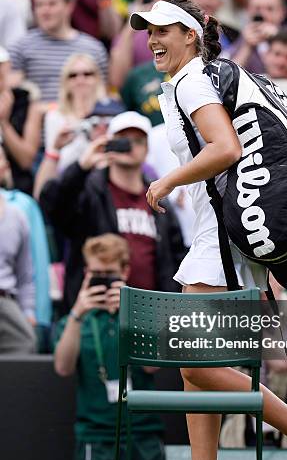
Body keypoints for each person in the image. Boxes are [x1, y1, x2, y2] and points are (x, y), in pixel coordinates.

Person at [128, 0, 287, 460]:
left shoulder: (193, 79)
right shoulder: (194, 77)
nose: (153, 39)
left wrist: (167, 180)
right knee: (196, 368)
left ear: (191, 36)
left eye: (164, 30)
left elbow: (226, 149)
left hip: (219, 239)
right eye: (148, 30)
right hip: (221, 233)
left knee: (193, 358)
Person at [39, 110, 186, 312]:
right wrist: (82, 166)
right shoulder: (90, 191)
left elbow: (175, 260)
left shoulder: (159, 200)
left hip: (149, 315)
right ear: (109, 142)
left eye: (137, 140)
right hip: (97, 311)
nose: (130, 146)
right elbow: (52, 205)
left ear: (147, 148)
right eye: (122, 140)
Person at [54, 233, 167, 460]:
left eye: (110, 274)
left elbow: (152, 366)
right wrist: (77, 313)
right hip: (96, 437)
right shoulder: (75, 321)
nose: (103, 282)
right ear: (86, 273)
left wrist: (131, 311)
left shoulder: (140, 313)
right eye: (97, 275)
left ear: (125, 272)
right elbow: (63, 368)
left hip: (143, 433)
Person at [33, 53, 123, 199]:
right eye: (73, 75)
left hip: (105, 189)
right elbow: (54, 162)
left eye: (87, 74)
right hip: (68, 187)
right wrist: (57, 147)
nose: (80, 80)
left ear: (98, 79)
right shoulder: (56, 116)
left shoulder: (111, 111)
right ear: (65, 81)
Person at [7, 0, 108, 103]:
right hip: (38, 120)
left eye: (52, 4)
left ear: (69, 6)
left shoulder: (94, 48)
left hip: (83, 119)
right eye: (39, 5)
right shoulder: (20, 47)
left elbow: (101, 94)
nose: (45, 11)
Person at [109, 0, 180, 90]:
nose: (155, 4)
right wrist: (130, 27)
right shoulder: (131, 33)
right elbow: (117, 80)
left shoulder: (189, 30)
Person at [0, 146, 37, 354]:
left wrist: (28, 311)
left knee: (26, 342)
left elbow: (25, 274)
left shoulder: (17, 215)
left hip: (5, 300)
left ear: (5, 166)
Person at [0, 46, 43, 195]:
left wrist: (4, 123)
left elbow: (26, 160)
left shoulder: (26, 100)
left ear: (7, 67)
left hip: (18, 192)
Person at [228, 0, 287, 73]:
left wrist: (279, 38)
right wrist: (247, 46)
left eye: (270, 9)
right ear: (247, 11)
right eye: (257, 9)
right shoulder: (240, 39)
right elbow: (227, 75)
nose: (263, 14)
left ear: (282, 12)